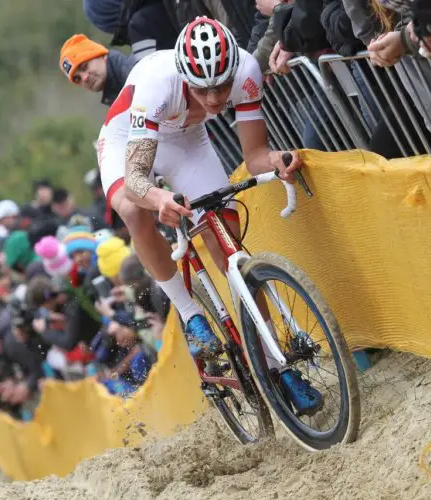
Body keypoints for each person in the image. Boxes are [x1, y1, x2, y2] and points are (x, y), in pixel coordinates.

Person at [96, 18, 322, 414]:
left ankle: (275, 364)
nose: (215, 98)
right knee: (134, 209)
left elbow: (254, 157)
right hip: (126, 143)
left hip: (187, 141)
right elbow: (134, 180)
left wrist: (280, 160)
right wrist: (160, 198)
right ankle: (190, 313)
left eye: (222, 85)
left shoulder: (247, 69)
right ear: (184, 75)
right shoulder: (156, 83)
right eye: (203, 88)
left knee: (228, 244)